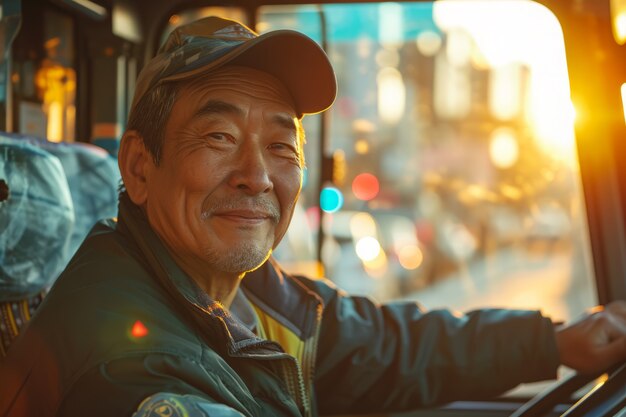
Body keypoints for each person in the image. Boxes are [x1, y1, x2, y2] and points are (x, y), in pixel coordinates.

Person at [1, 16, 625, 417]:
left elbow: (375, 345)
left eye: (282, 147)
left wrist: (554, 343)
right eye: (218, 137)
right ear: (139, 167)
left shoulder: (233, 293)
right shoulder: (140, 379)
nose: (258, 175)